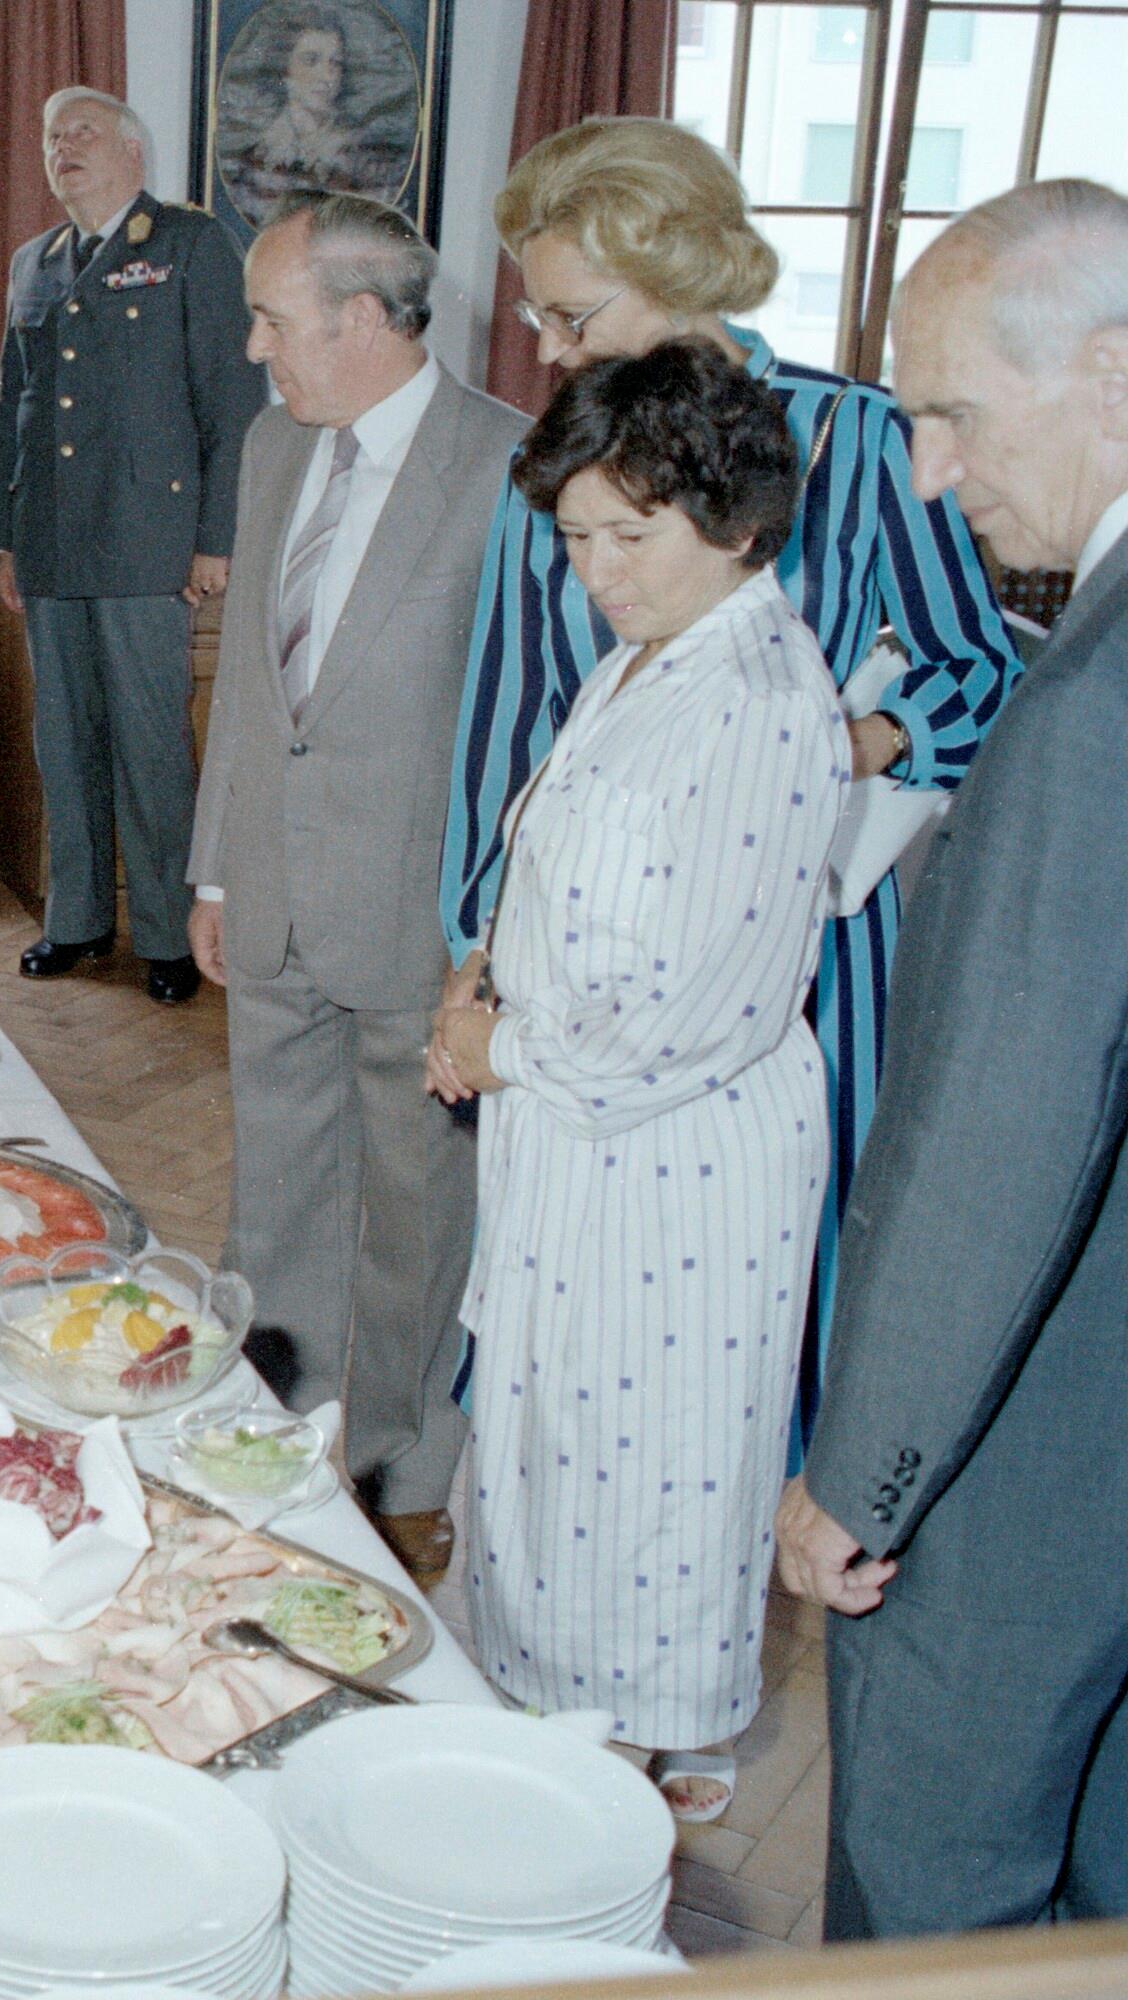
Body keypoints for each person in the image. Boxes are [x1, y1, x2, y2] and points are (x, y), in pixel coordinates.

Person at [440, 118, 1022, 1448]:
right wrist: (472, 949)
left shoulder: (861, 443)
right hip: (571, 959)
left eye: (573, 309)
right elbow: (505, 723)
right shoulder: (555, 463)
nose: (546, 340)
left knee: (762, 1308)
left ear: (685, 278)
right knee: (570, 1313)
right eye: (537, 306)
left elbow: (975, 677)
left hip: (803, 960)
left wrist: (848, 745)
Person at [426, 339, 848, 1821]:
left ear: (735, 522)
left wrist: (502, 1047)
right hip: (582, 1140)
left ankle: (614, 1789)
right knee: (556, 1464)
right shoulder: (659, 653)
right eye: (574, 536)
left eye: (629, 535)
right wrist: (478, 978)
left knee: (642, 1489)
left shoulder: (753, 697)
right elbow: (568, 868)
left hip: (673, 1164)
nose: (596, 568)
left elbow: (692, 1018)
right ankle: (562, 1746)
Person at [774, 179, 1128, 1938]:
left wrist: (862, 1471)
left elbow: (1005, 1128)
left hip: (1033, 1465)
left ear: (1113, 373)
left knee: (932, 1905)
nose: (924, 472)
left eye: (953, 413)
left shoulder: (1094, 698)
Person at [185, 193, 527, 1585]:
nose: (257, 348)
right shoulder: (276, 446)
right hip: (266, 895)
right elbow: (255, 699)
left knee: (417, 1220)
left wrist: (491, 946)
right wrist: (214, 866)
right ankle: (272, 1439)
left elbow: (526, 728)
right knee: (276, 1199)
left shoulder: (510, 467)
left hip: (414, 922)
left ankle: (397, 1463)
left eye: (275, 319)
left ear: (368, 318)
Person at [0, 87, 266, 999]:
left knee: (150, 743)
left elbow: (232, 404)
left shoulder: (189, 244)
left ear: (134, 155)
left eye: (83, 134)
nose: (62, 148)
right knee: (63, 739)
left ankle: (166, 936)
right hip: (53, 542)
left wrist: (216, 537)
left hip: (150, 543)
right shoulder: (36, 260)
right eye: (51, 136)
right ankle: (75, 921)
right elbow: (10, 414)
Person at [228, 4, 402, 222]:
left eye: (335, 63)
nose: (327, 77)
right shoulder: (256, 161)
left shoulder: (366, 158)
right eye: (311, 60)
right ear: (284, 68)